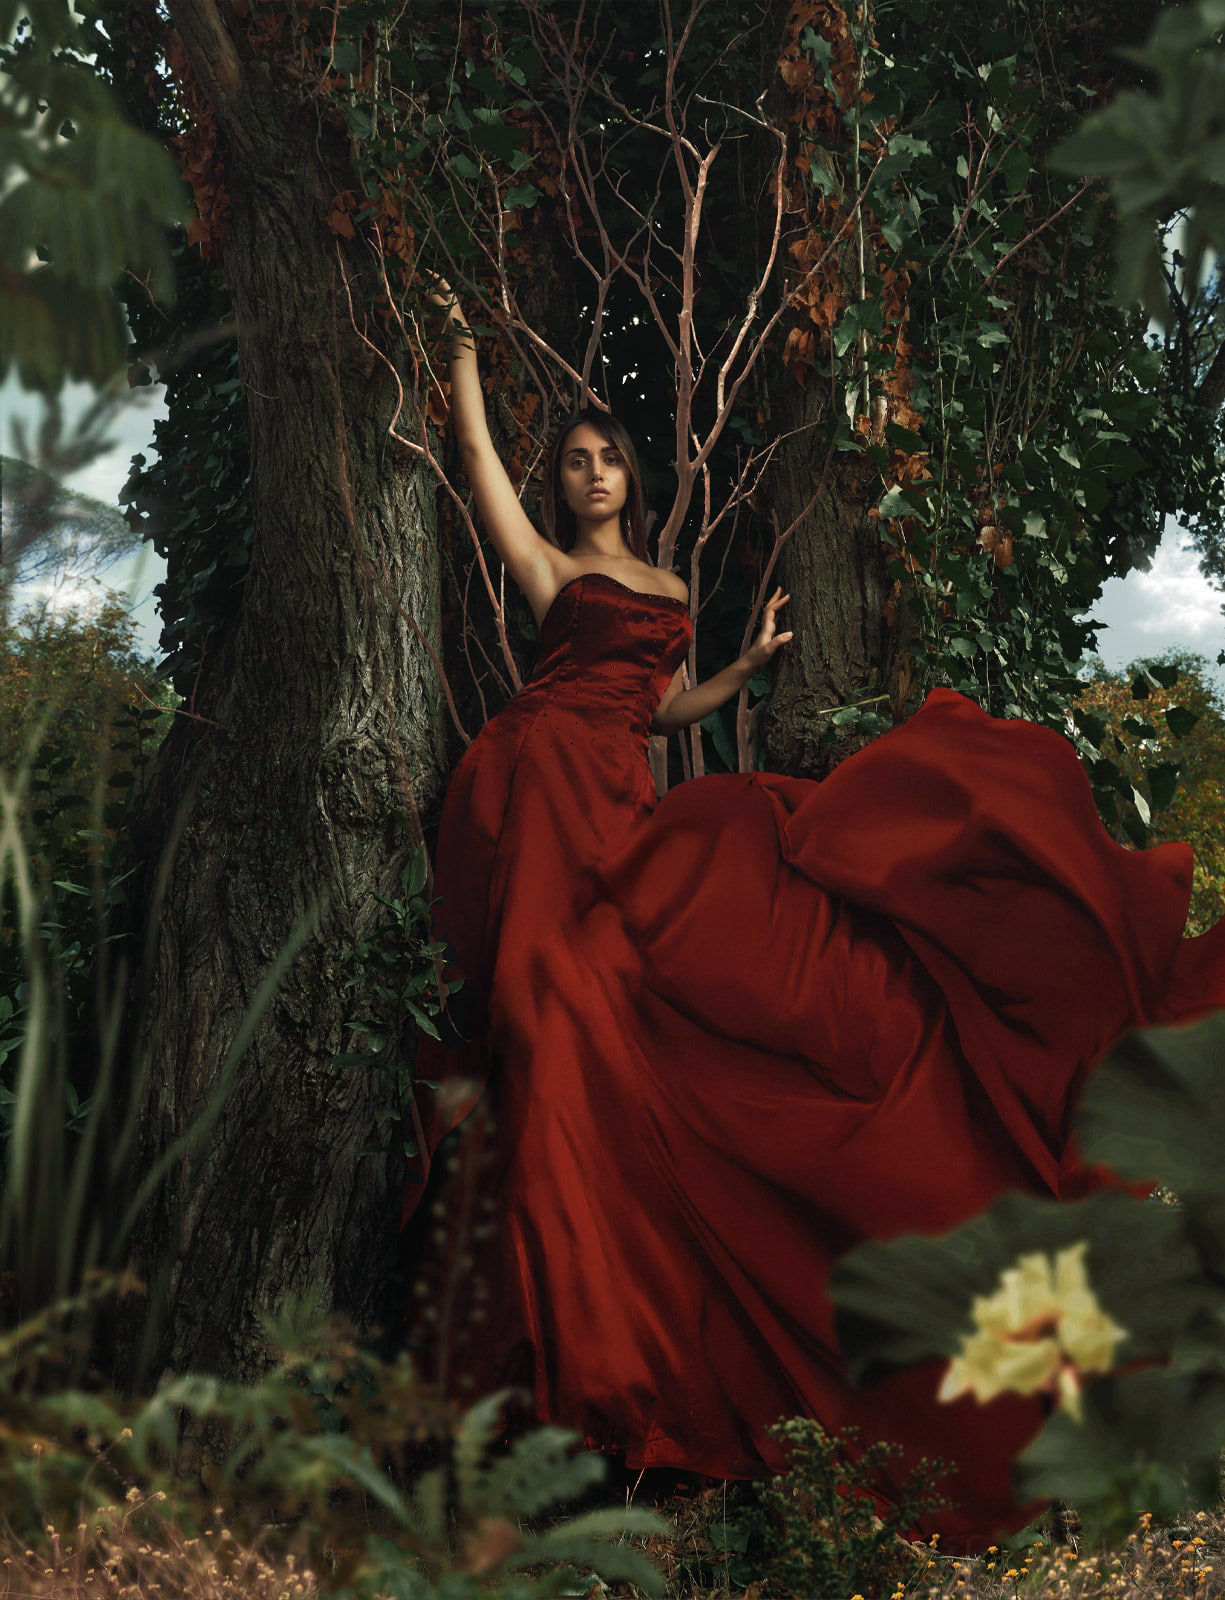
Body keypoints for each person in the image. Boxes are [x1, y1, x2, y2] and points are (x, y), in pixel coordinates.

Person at [404, 287, 1225, 1549]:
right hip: (535, 792)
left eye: (606, 456)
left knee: (678, 976)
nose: (588, 475)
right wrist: (463, 352)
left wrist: (739, 669)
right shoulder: (549, 567)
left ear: (632, 469)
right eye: (571, 462)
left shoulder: (668, 578)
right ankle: (577, 1367)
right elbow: (472, 468)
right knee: (544, 1019)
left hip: (622, 799)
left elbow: (663, 709)